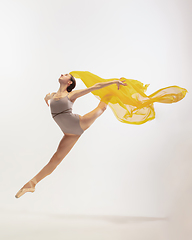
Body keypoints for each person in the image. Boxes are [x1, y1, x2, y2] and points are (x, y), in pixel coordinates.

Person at [15, 73, 127, 198]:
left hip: (79, 123)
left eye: (66, 75)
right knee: (55, 160)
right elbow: (47, 97)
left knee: (102, 108)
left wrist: (113, 82)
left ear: (69, 83)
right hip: (68, 133)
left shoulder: (71, 95)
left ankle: (113, 92)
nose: (62, 74)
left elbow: (95, 87)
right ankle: (31, 184)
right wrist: (46, 99)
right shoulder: (52, 95)